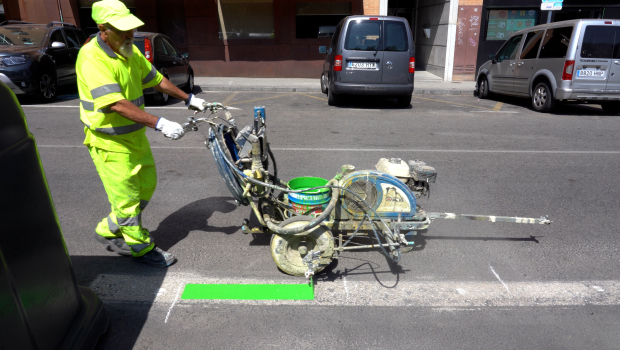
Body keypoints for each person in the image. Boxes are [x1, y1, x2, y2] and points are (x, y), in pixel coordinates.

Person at [76, 0, 206, 267]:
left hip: (134, 137)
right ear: (103, 29)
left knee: (146, 186)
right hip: (108, 141)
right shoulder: (92, 58)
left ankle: (107, 229)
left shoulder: (129, 51)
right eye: (123, 31)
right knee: (126, 199)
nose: (130, 36)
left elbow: (156, 79)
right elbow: (114, 103)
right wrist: (160, 123)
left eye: (131, 30)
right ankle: (141, 247)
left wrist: (188, 97)